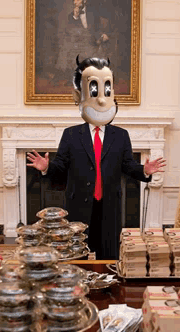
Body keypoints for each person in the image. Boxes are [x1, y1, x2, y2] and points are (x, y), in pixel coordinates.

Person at [27, 57, 166, 259]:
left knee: (108, 254)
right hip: (79, 206)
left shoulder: (121, 136)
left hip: (110, 205)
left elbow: (128, 165)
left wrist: (144, 170)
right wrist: (46, 167)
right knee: (78, 254)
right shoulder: (71, 135)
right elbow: (60, 167)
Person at [54, 0, 110, 81]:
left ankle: (70, 76)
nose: (75, 2)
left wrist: (102, 35)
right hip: (77, 40)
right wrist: (75, 17)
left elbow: (97, 27)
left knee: (71, 48)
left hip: (90, 40)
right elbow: (69, 31)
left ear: (84, 1)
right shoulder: (71, 16)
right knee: (66, 47)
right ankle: (63, 75)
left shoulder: (93, 12)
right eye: (73, 0)